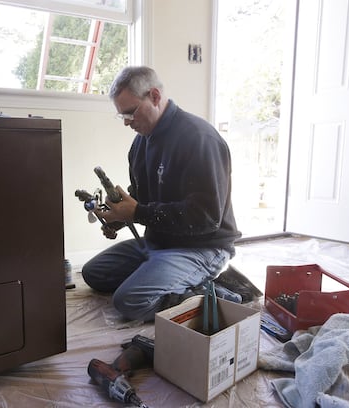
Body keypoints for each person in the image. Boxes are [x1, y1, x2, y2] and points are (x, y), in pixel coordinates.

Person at [81, 66, 242, 322]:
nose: (126, 122)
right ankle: (164, 277)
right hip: (159, 241)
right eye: (121, 115)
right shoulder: (141, 142)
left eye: (131, 112)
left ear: (154, 96)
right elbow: (142, 195)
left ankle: (215, 295)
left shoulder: (199, 138)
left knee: (130, 301)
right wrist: (120, 217)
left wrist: (136, 212)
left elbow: (206, 217)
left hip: (202, 247)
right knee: (94, 273)